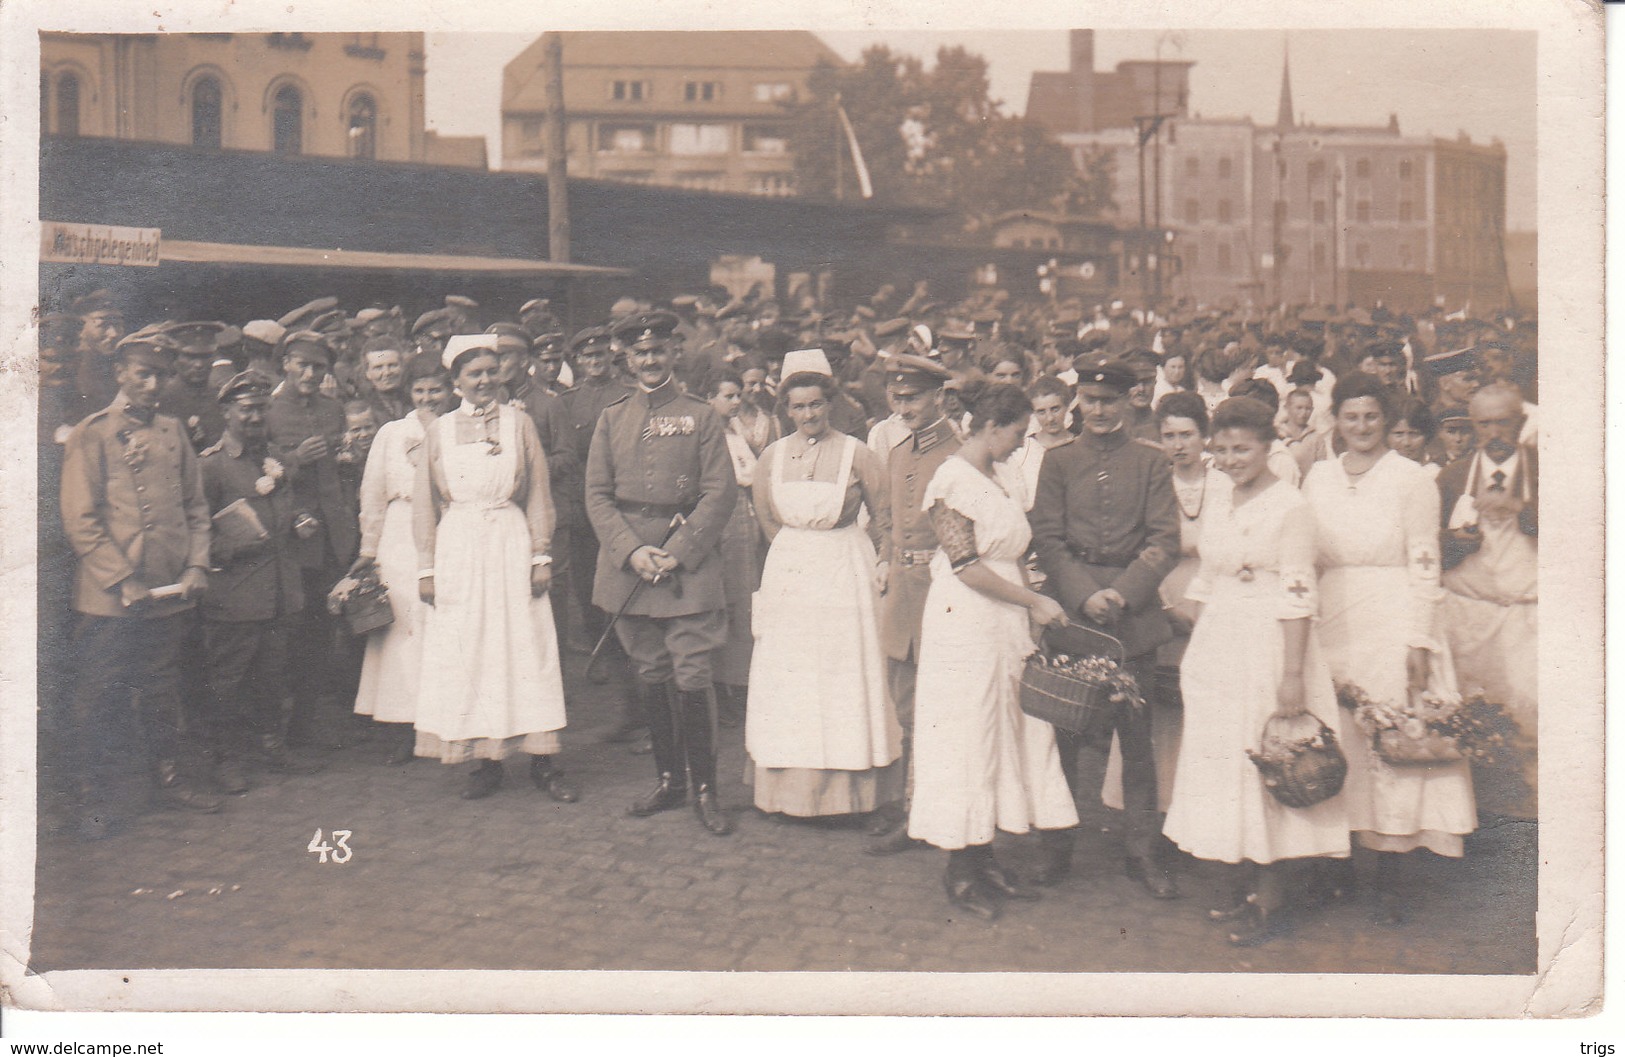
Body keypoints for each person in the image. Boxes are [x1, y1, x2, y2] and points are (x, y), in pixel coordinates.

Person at [1162, 397, 1349, 945]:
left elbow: (1298, 593)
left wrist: (1292, 676)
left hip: (1271, 644)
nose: (1229, 458)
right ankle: (1248, 889)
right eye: (1220, 449)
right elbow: (1208, 576)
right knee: (1229, 765)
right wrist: (1190, 625)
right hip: (1220, 644)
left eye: (1240, 448)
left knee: (1272, 761)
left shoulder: (1290, 505)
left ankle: (1273, 900)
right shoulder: (1222, 499)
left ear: (1268, 447)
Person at [1302, 373, 1475, 925]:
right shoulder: (1320, 477)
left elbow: (1425, 560)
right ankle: (1338, 861)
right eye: (1350, 417)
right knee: (1338, 734)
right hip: (1331, 614)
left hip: (1393, 613)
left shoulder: (1411, 479)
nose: (1361, 427)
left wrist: (1419, 638)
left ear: (1387, 419)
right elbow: (1305, 553)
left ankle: (1392, 873)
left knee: (1392, 733)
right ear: (1336, 420)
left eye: (1371, 417)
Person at [908, 384, 1078, 920]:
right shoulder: (949, 481)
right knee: (969, 734)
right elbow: (966, 566)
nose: (1020, 443)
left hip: (1003, 619)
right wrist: (1034, 600)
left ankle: (986, 859)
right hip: (965, 619)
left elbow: (1016, 552)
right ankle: (960, 868)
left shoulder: (1002, 476)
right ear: (992, 426)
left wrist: (1030, 608)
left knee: (1003, 731)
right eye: (1018, 433)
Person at [1029, 353, 1181, 898]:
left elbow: (1166, 540)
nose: (1098, 410)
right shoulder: (1059, 461)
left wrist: (1123, 591)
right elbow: (1046, 537)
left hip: (1132, 616)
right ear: (1078, 404)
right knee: (1065, 733)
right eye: (1089, 401)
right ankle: (1057, 846)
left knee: (1136, 742)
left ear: (1128, 402)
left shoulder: (1150, 461)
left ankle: (1142, 852)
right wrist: (1082, 593)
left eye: (1109, 401)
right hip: (1074, 614)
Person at [60, 327, 218, 838]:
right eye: (144, 373)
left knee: (160, 689)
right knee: (101, 694)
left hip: (168, 590)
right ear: (121, 374)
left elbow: (196, 508)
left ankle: (166, 780)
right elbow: (80, 517)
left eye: (161, 374)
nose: (153, 383)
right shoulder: (94, 431)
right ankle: (95, 798)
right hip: (111, 596)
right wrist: (121, 578)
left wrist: (195, 566)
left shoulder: (173, 431)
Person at [585, 312, 738, 836]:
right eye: (638, 353)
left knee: (693, 675)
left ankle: (705, 790)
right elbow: (597, 495)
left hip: (685, 569)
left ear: (674, 352)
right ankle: (669, 780)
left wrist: (678, 551)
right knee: (650, 673)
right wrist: (631, 552)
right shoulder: (613, 416)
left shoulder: (701, 415)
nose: (649, 360)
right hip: (629, 570)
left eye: (658, 351)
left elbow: (721, 491)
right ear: (626, 359)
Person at [413, 335, 577, 803]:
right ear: (456, 382)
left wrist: (540, 554)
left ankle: (544, 760)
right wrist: (426, 567)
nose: (484, 381)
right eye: (473, 374)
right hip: (460, 547)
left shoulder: (519, 422)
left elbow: (539, 492)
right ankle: (487, 761)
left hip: (510, 541)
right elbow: (424, 502)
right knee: (474, 651)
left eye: (490, 371)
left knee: (526, 647)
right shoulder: (439, 430)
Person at [746, 363, 901, 820]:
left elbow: (885, 517)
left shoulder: (857, 453)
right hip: (792, 573)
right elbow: (767, 519)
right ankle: (787, 792)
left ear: (830, 404)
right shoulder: (771, 456)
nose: (808, 413)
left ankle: (850, 792)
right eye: (798, 406)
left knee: (841, 675)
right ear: (787, 410)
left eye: (816, 404)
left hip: (845, 573)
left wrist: (883, 561)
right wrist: (799, 556)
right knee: (792, 675)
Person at [196, 372, 323, 794]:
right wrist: (233, 545)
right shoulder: (212, 465)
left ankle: (272, 745)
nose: (253, 416)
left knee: (273, 674)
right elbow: (194, 531)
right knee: (227, 680)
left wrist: (301, 519)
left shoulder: (273, 458)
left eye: (260, 408)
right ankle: (225, 758)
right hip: (235, 594)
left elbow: (286, 507)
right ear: (226, 412)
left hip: (279, 591)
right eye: (245, 409)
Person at [1101, 390, 1222, 819]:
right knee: (1155, 703)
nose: (1178, 444)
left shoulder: (1224, 482)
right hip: (1160, 595)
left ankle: (1199, 809)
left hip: (1211, 598)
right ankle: (1157, 807)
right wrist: (1160, 604)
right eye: (1169, 435)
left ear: (1204, 436)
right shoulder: (1152, 481)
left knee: (1201, 703)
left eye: (1187, 434)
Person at [864, 353, 961, 855]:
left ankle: (934, 810)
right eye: (897, 398)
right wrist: (886, 557)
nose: (904, 407)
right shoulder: (899, 451)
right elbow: (885, 516)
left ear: (939, 397)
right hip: (902, 590)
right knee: (905, 704)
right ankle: (911, 807)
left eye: (914, 397)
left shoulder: (957, 454)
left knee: (940, 707)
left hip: (943, 594)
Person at [1437, 382, 1537, 820]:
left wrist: (1525, 512)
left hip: (1528, 618)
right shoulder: (1453, 477)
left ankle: (1531, 831)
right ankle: (1477, 826)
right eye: (1484, 423)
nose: (1493, 431)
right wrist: (1456, 541)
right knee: (1471, 723)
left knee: (1532, 719)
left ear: (1520, 422)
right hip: (1468, 620)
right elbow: (1428, 546)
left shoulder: (1550, 471)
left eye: (1503, 421)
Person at [350, 356, 452, 764]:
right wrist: (369, 549)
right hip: (399, 534)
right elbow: (373, 492)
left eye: (436, 391)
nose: (428, 398)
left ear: (450, 391)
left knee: (442, 623)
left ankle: (441, 722)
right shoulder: (392, 433)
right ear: (409, 394)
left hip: (449, 531)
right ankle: (399, 726)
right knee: (402, 630)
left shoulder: (460, 429)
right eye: (420, 391)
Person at [268, 330, 359, 749]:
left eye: (318, 366)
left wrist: (348, 460)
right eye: (302, 364)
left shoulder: (333, 409)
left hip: (332, 539)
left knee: (321, 631)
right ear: (285, 363)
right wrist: (293, 461)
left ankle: (304, 724)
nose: (309, 373)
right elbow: (261, 473)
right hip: (291, 540)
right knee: (288, 632)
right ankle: (277, 728)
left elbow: (343, 471)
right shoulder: (268, 410)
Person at [706, 373, 763, 726]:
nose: (736, 401)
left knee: (744, 603)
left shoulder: (735, 432)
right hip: (721, 521)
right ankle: (720, 686)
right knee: (721, 601)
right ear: (709, 397)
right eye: (728, 395)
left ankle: (739, 684)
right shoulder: (708, 435)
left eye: (738, 395)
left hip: (743, 520)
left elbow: (751, 474)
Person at [157, 322, 229, 452]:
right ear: (175, 358)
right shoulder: (161, 399)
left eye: (205, 356)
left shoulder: (223, 397)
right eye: (190, 357)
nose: (199, 364)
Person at [1006, 375, 1074, 512]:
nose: (1050, 418)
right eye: (1041, 412)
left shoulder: (1080, 444)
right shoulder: (1023, 450)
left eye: (1055, 409)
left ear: (1066, 406)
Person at [1387, 396, 1441, 479]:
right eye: (1398, 434)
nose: (1406, 442)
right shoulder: (1379, 473)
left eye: (1414, 434)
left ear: (1427, 435)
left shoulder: (1436, 475)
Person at [359, 339, 411, 425]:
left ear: (402, 367)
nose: (387, 372)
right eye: (378, 367)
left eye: (392, 365)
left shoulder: (416, 399)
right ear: (367, 372)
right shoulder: (363, 407)